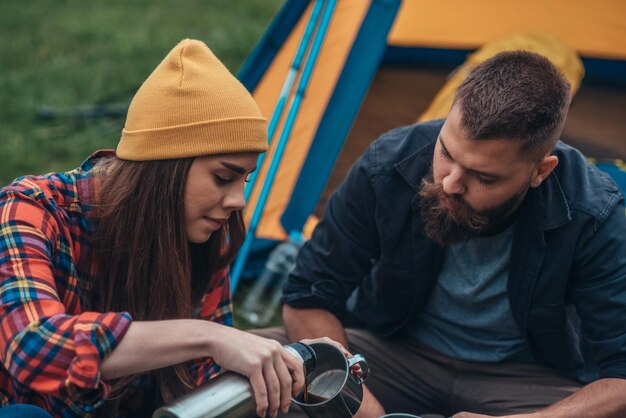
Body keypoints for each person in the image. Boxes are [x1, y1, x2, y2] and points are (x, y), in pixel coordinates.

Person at [261, 51, 626, 417]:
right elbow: (308, 296)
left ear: (540, 172)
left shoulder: (593, 214)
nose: (450, 183)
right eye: (446, 153)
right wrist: (357, 401)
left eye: (484, 177)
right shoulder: (388, 165)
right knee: (259, 367)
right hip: (390, 355)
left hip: (522, 379)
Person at [0, 39, 307, 418]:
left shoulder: (205, 232)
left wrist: (302, 365)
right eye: (224, 177)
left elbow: (202, 389)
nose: (238, 201)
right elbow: (32, 349)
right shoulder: (32, 207)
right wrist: (209, 337)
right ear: (164, 168)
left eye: (244, 180)